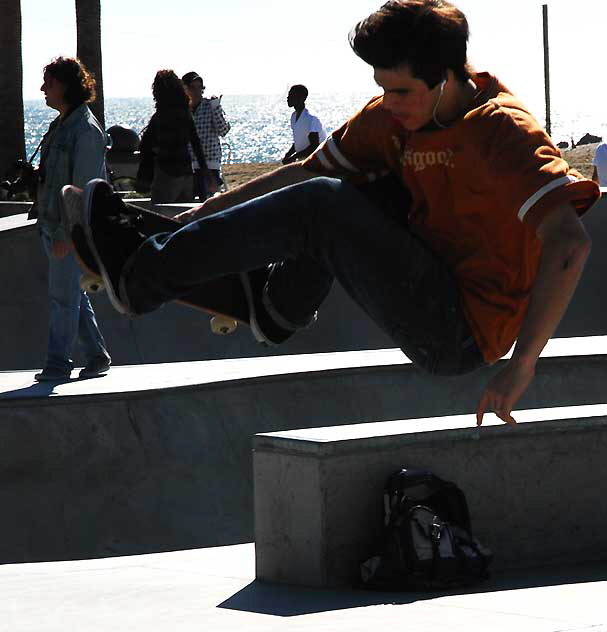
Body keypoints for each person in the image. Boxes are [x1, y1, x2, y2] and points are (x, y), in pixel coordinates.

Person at [79, 0, 599, 425]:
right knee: (354, 182)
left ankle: (139, 279)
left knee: (327, 205)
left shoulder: (503, 130)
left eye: (402, 92)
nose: (390, 104)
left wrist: (524, 364)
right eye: (382, 90)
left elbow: (569, 243)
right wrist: (209, 210)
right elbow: (304, 172)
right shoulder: (390, 118)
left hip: (461, 331)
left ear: (445, 76)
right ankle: (279, 304)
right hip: (427, 276)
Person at [32, 56, 111, 381]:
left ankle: (58, 364)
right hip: (53, 227)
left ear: (65, 85)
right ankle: (97, 356)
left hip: (69, 232)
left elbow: (82, 189)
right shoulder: (62, 125)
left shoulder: (86, 131)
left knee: (62, 298)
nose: (43, 89)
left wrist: (68, 235)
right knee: (71, 295)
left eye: (48, 83)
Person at [138, 70, 208, 206]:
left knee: (161, 214)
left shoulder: (159, 117)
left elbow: (146, 145)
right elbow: (195, 142)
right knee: (183, 216)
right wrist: (205, 170)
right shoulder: (185, 113)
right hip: (187, 173)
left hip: (167, 173)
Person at [182, 71, 231, 200]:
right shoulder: (182, 110)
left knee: (208, 202)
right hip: (188, 164)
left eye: (200, 88)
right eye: (192, 87)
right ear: (184, 89)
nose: (197, 91)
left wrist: (216, 107)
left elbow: (223, 130)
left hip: (210, 164)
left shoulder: (210, 106)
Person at [281, 85, 327, 165]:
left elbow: (314, 146)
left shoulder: (312, 119)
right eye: (288, 95)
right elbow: (299, 141)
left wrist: (294, 157)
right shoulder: (294, 116)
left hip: (317, 161)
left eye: (292, 95)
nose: (288, 97)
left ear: (302, 98)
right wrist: (288, 155)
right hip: (304, 160)